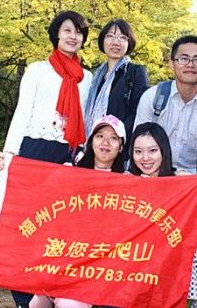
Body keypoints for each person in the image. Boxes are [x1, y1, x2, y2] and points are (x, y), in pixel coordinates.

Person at [0, 10, 93, 308]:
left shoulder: (87, 78)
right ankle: (24, 297)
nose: (73, 36)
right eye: (67, 30)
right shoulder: (37, 70)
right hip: (35, 150)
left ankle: (51, 291)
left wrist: (84, 156)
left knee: (59, 225)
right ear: (56, 34)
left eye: (78, 32)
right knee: (27, 225)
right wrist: (8, 155)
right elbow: (22, 112)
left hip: (68, 155)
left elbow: (87, 120)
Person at [128, 122, 197, 308]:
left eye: (152, 150)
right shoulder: (127, 182)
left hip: (176, 261)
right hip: (139, 263)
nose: (145, 158)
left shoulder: (182, 182)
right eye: (138, 151)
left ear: (163, 151)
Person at [28, 115, 126, 308]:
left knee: (68, 304)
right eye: (100, 136)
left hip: (97, 266)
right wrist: (6, 169)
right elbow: (36, 192)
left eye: (113, 138)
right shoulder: (70, 172)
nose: (105, 142)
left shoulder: (128, 183)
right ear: (91, 142)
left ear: (121, 146)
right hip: (63, 257)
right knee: (37, 301)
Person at [133, 35, 197, 187]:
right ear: (171, 64)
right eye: (183, 59)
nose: (190, 64)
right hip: (155, 177)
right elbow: (138, 145)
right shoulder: (152, 97)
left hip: (194, 182)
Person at [83, 19, 149, 163]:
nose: (116, 42)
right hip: (93, 149)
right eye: (110, 36)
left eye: (122, 37)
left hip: (120, 150)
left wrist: (116, 138)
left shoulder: (135, 72)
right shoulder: (96, 77)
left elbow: (138, 114)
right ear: (102, 41)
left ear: (129, 43)